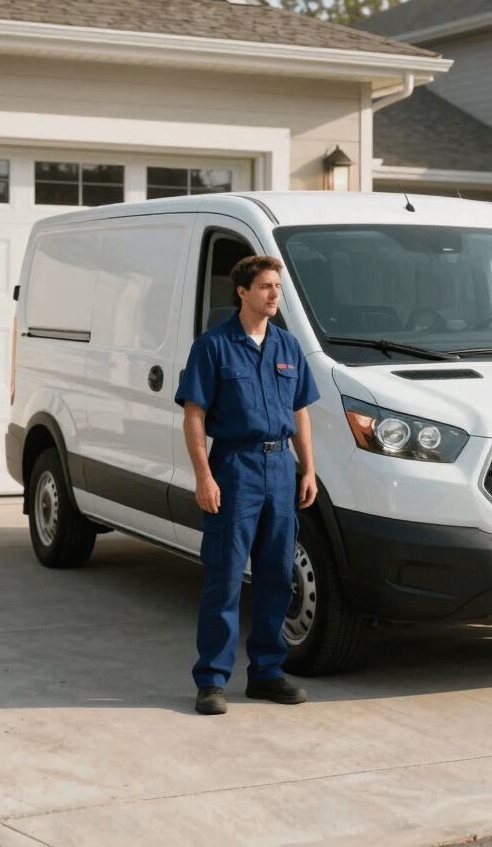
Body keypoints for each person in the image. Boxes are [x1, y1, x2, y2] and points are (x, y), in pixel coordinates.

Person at [175, 255, 320, 715]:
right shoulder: (213, 346)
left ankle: (266, 673)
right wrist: (204, 475)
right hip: (234, 467)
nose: (274, 294)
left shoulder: (288, 346)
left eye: (277, 286)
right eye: (265, 287)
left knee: (277, 576)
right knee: (224, 576)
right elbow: (194, 415)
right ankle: (213, 680)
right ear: (242, 292)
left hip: (280, 468)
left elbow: (301, 412)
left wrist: (309, 469)